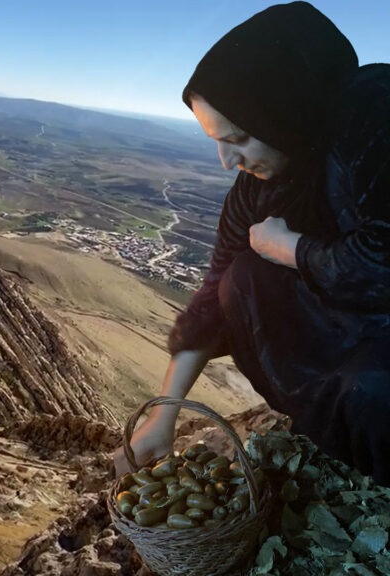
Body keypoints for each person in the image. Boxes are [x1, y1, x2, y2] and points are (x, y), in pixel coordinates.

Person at [114, 1, 390, 485]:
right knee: (241, 279)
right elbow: (211, 296)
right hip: (354, 338)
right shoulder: (259, 189)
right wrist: (165, 415)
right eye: (217, 141)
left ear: (284, 112)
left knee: (373, 392)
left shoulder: (373, 120)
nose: (226, 161)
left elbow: (381, 260)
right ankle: (337, 437)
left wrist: (290, 248)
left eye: (239, 137)